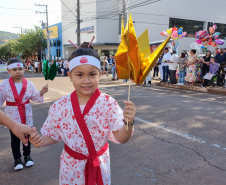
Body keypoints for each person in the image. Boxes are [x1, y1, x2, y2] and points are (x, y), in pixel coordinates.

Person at [29, 42, 136, 185]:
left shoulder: (108, 103)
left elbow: (121, 138)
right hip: (70, 168)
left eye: (92, 74)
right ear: (70, 75)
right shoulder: (60, 105)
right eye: (79, 75)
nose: (86, 81)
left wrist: (128, 122)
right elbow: (55, 134)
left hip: (99, 166)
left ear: (100, 74)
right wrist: (40, 141)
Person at [0, 58, 48, 171]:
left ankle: (27, 156)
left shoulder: (29, 84)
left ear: (24, 69)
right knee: (15, 138)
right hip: (12, 117)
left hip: (26, 114)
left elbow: (34, 96)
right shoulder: (4, 85)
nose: (18, 72)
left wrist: (41, 92)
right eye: (14, 69)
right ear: (9, 71)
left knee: (28, 135)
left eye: (20, 69)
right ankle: (17, 158)